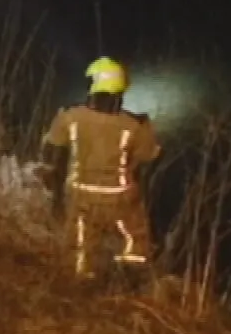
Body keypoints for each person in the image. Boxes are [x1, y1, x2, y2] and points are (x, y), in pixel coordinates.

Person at [42, 57, 161, 281]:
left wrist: (56, 194)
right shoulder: (135, 125)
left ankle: (80, 286)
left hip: (80, 197)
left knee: (78, 250)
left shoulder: (69, 117)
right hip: (121, 199)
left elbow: (52, 153)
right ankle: (129, 281)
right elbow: (147, 158)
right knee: (135, 242)